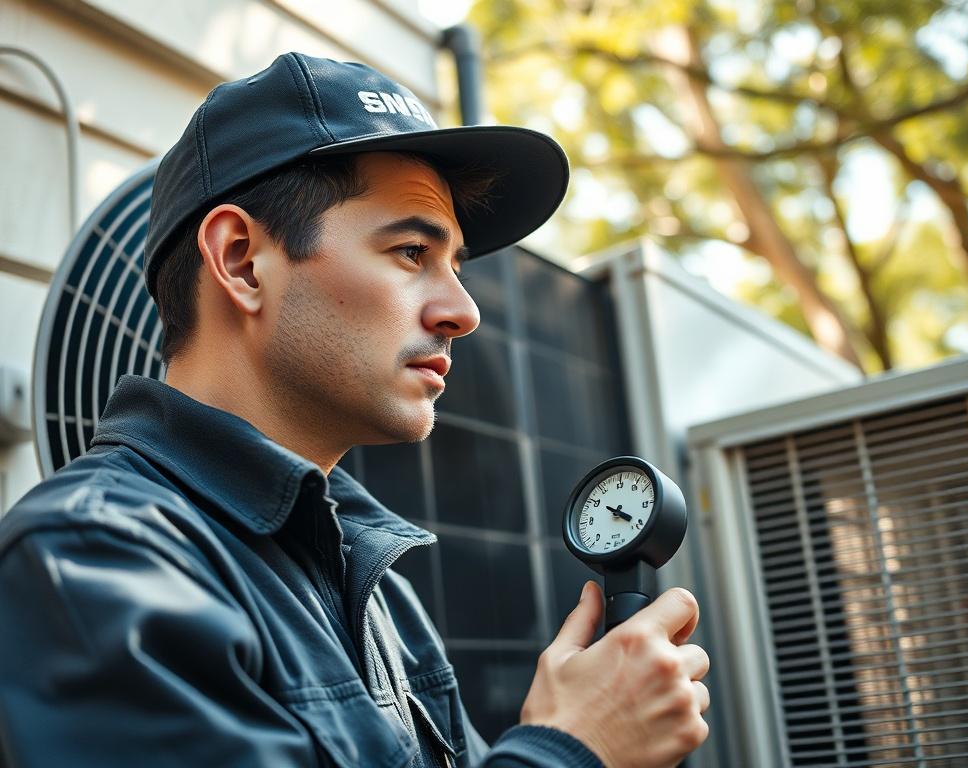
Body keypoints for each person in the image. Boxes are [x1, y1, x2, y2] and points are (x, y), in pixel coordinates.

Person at [0, 53, 709, 767]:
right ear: (243, 260)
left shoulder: (376, 592)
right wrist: (575, 749)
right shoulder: (91, 563)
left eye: (455, 266)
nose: (463, 312)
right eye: (410, 251)